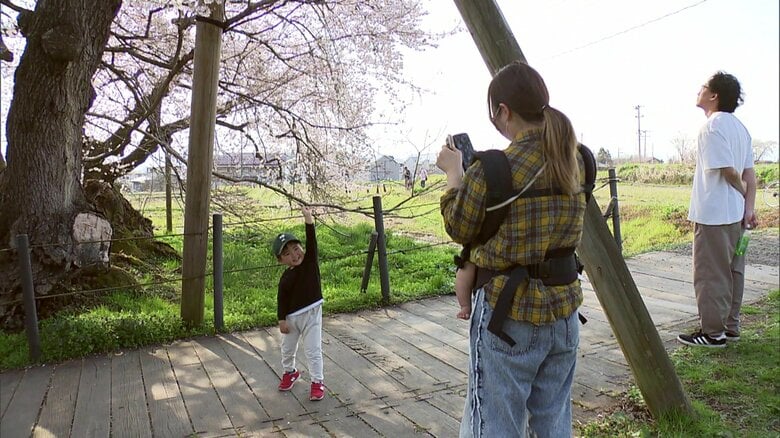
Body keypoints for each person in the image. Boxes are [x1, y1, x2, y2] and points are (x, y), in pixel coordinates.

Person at [438, 60, 586, 437]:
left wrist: (454, 175)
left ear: (503, 111)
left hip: (509, 317)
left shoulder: (492, 168)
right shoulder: (576, 160)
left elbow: (459, 226)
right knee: (554, 423)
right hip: (564, 314)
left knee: (494, 425)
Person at [677, 72, 758, 348]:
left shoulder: (712, 127)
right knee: (734, 270)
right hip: (735, 216)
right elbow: (750, 174)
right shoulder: (740, 128)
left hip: (714, 215)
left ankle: (713, 333)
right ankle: (730, 327)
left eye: (703, 87)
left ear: (714, 95)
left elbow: (728, 172)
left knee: (711, 273)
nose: (698, 90)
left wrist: (744, 192)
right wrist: (749, 209)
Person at [272, 206, 326, 401]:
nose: (294, 255)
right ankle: (290, 372)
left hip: (312, 314)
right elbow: (282, 299)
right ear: (280, 260)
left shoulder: (311, 261)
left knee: (313, 350)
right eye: (287, 253)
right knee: (287, 349)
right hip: (292, 319)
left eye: (296, 248)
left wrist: (308, 218)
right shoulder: (286, 278)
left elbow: (312, 239)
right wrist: (281, 320)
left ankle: (317, 382)